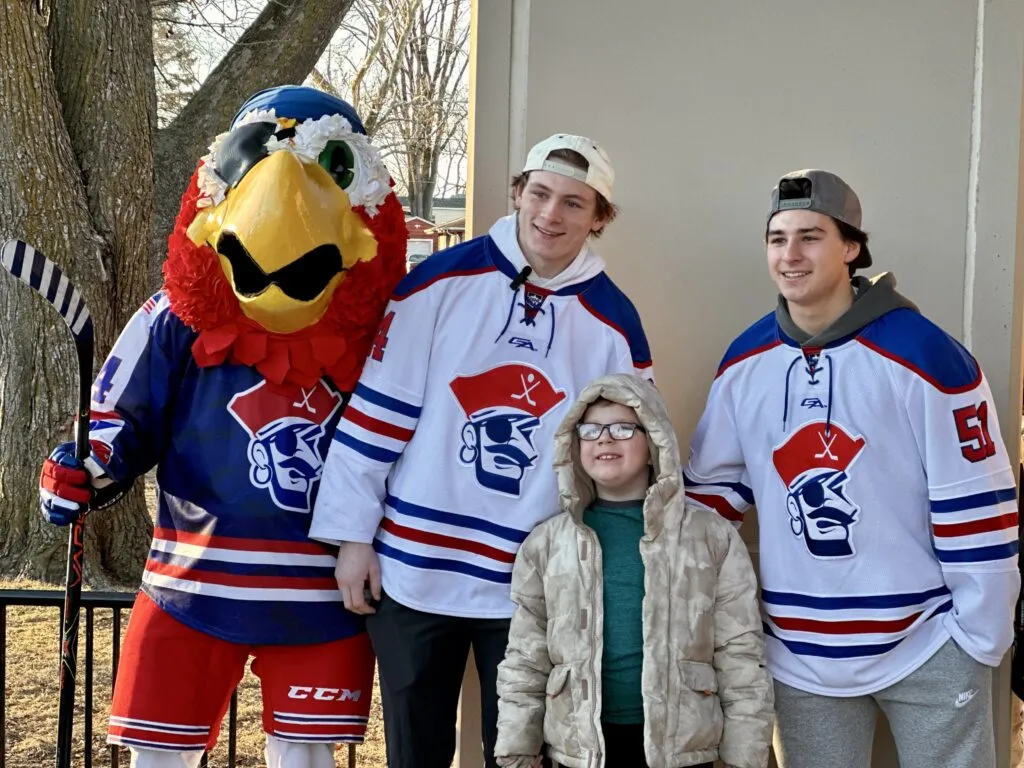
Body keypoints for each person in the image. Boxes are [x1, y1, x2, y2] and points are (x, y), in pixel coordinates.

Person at [37, 85, 407, 768]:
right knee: (159, 756)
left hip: (324, 590)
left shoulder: (387, 327)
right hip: (191, 580)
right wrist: (86, 467)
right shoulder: (175, 314)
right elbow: (122, 415)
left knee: (304, 757)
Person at [310, 134, 654, 768]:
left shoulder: (614, 322)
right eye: (541, 194)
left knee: (519, 753)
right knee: (416, 752)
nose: (551, 215)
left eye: (575, 204)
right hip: (413, 568)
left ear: (599, 218)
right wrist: (351, 536)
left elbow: (625, 460)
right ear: (518, 192)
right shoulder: (437, 282)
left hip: (532, 583)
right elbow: (378, 414)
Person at [684, 169, 1019, 768]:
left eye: (810, 236)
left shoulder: (926, 355)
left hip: (928, 641)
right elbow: (711, 501)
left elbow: (979, 504)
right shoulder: (745, 361)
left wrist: (977, 638)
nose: (790, 255)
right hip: (798, 654)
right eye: (777, 237)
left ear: (852, 247)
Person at [494, 373, 773, 768]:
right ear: (573, 446)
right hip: (581, 747)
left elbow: (740, 652)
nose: (605, 439)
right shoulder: (546, 544)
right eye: (590, 430)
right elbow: (525, 657)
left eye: (624, 428)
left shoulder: (710, 537)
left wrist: (746, 755)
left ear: (654, 441)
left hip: (681, 747)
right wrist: (516, 750)